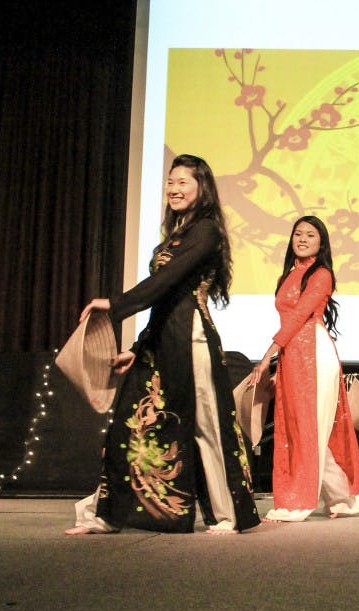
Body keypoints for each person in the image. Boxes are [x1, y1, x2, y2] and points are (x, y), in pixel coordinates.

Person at [66, 154, 260, 535]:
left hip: (192, 339)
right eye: (171, 181)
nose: (174, 188)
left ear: (202, 187)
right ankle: (108, 514)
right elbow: (163, 302)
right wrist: (138, 348)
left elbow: (165, 283)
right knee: (127, 424)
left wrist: (114, 305)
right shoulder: (177, 234)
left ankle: (228, 515)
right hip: (160, 342)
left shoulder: (206, 231)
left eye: (183, 182)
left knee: (206, 425)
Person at [249, 215, 359, 522]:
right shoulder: (287, 276)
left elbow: (300, 316)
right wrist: (280, 364)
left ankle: (300, 501)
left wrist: (267, 357)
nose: (302, 239)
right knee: (299, 429)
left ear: (321, 242)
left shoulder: (321, 274)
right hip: (292, 355)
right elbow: (288, 322)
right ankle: (342, 499)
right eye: (298, 234)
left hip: (314, 353)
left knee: (310, 427)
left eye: (310, 235)